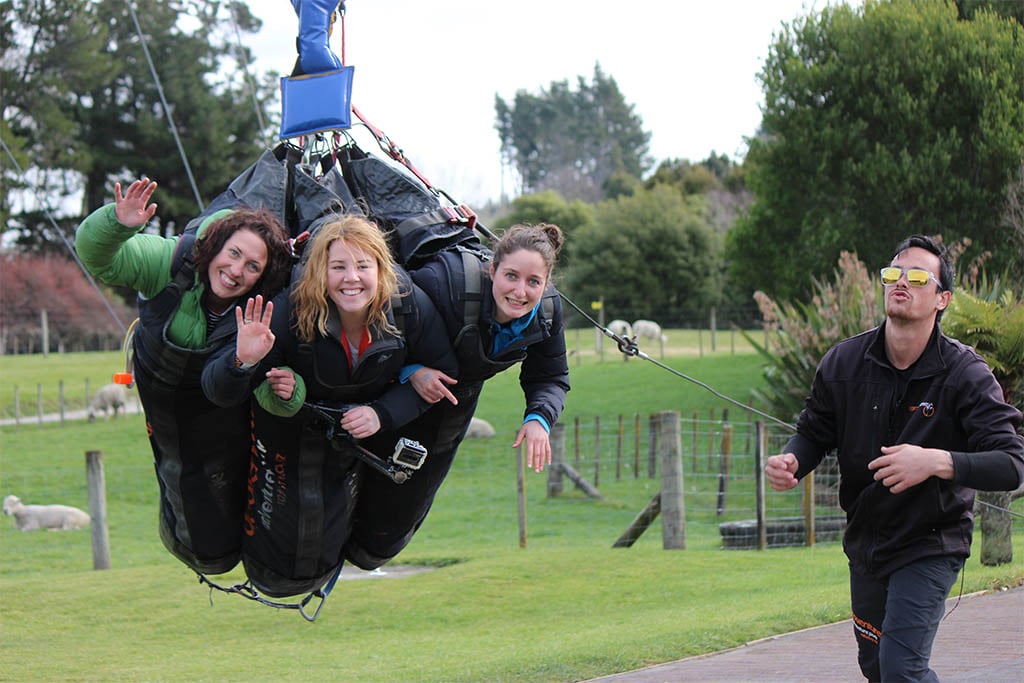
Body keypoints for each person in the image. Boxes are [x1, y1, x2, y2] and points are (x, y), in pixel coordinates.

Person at [764, 234, 1024, 682]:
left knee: (901, 669)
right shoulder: (843, 363)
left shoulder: (965, 373)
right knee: (878, 670)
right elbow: (812, 432)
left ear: (942, 299)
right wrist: (792, 461)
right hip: (866, 543)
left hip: (930, 543)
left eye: (919, 276)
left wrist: (937, 462)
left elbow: (1013, 462)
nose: (902, 282)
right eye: (893, 274)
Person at [203, 214, 458, 596]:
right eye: (337, 267)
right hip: (294, 443)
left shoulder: (407, 306)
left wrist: (382, 413)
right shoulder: (290, 311)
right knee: (299, 532)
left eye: (362, 266)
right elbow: (218, 390)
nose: (351, 278)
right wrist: (244, 360)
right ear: (320, 272)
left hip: (365, 441)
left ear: (381, 268)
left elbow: (443, 376)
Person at [74, 177, 292, 575]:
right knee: (180, 481)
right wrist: (117, 224)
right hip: (164, 401)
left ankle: (237, 552)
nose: (235, 271)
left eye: (252, 266)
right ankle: (200, 549)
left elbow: (221, 389)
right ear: (216, 246)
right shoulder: (171, 260)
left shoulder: (259, 312)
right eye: (234, 253)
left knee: (225, 481)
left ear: (263, 277)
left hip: (218, 405)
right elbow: (99, 258)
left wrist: (243, 361)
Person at [342, 222, 571, 570]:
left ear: (546, 284)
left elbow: (550, 375)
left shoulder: (547, 314)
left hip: (454, 404)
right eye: (511, 276)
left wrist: (539, 418)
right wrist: (412, 371)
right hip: (389, 385)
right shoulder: (443, 283)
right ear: (492, 270)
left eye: (533, 282)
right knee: (353, 471)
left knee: (399, 515)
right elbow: (386, 312)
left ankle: (366, 556)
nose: (520, 291)